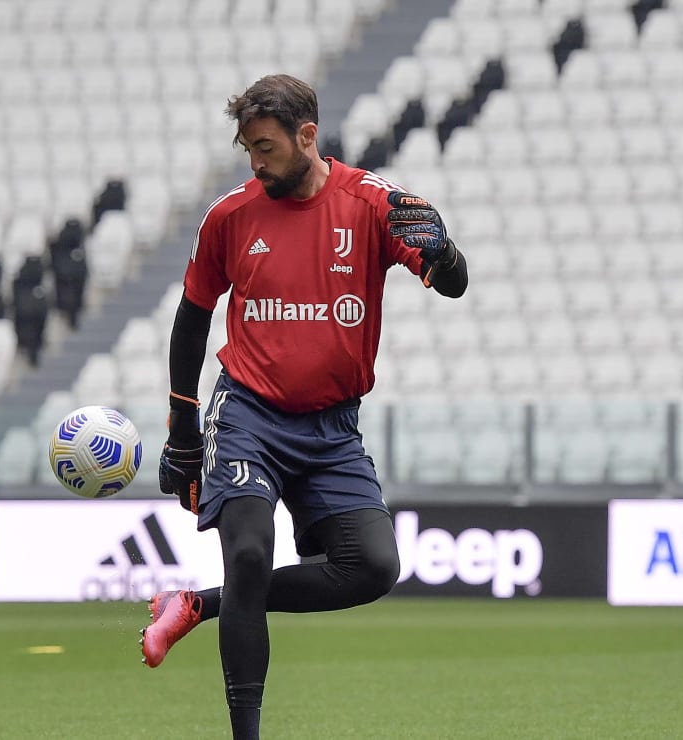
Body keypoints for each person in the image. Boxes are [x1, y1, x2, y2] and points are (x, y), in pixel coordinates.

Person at [141, 74, 468, 740]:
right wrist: (181, 431)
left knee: (372, 567)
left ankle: (197, 607)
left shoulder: (372, 204)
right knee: (252, 557)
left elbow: (453, 283)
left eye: (265, 148)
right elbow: (192, 318)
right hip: (248, 418)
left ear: (306, 136)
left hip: (331, 428)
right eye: (248, 151)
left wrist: (444, 250)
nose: (256, 164)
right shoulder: (231, 215)